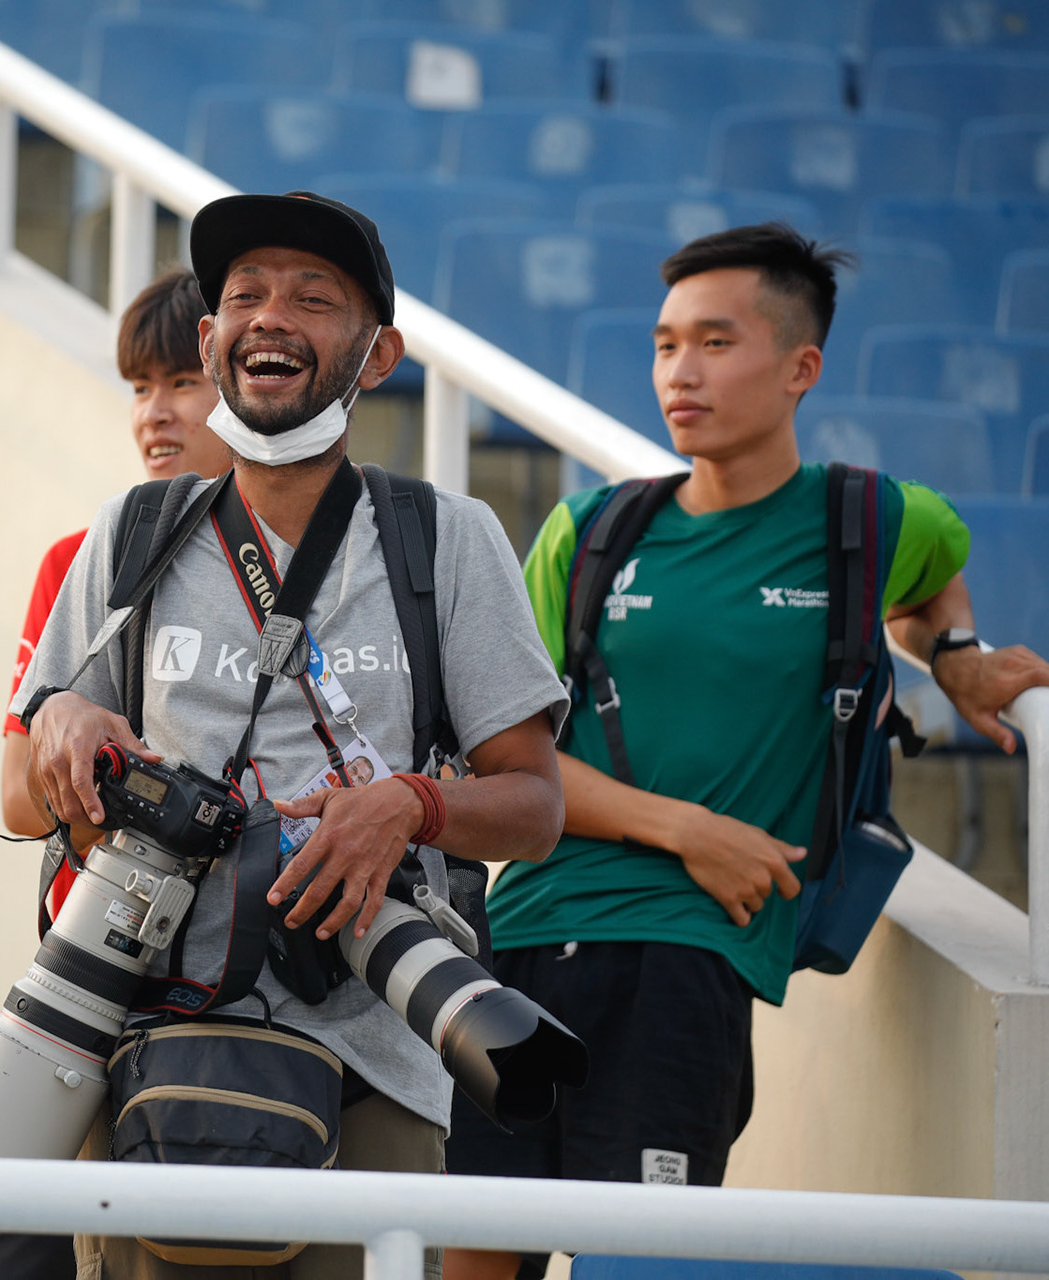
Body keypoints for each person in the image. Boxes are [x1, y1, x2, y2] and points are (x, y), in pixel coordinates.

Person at [444, 224, 1049, 1280]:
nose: (680, 371)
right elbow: (510, 760)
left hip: (689, 962)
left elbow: (931, 580)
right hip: (524, 940)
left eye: (715, 342)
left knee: (640, 1262)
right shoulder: (588, 531)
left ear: (800, 367)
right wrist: (690, 828)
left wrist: (952, 653)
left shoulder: (873, 517)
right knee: (475, 1258)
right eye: (665, 343)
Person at [10, 192, 570, 1280]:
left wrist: (413, 804)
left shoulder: (445, 540)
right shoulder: (127, 535)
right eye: (244, 296)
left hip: (375, 1053)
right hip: (142, 1046)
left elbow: (536, 806)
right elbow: (31, 792)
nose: (272, 316)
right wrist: (63, 722)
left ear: (378, 354)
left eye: (314, 298)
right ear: (212, 338)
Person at [0, 271, 233, 1280]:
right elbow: (13, 791)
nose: (155, 412)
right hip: (90, 984)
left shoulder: (358, 559)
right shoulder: (85, 554)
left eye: (182, 380)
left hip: (253, 999)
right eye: (139, 386)